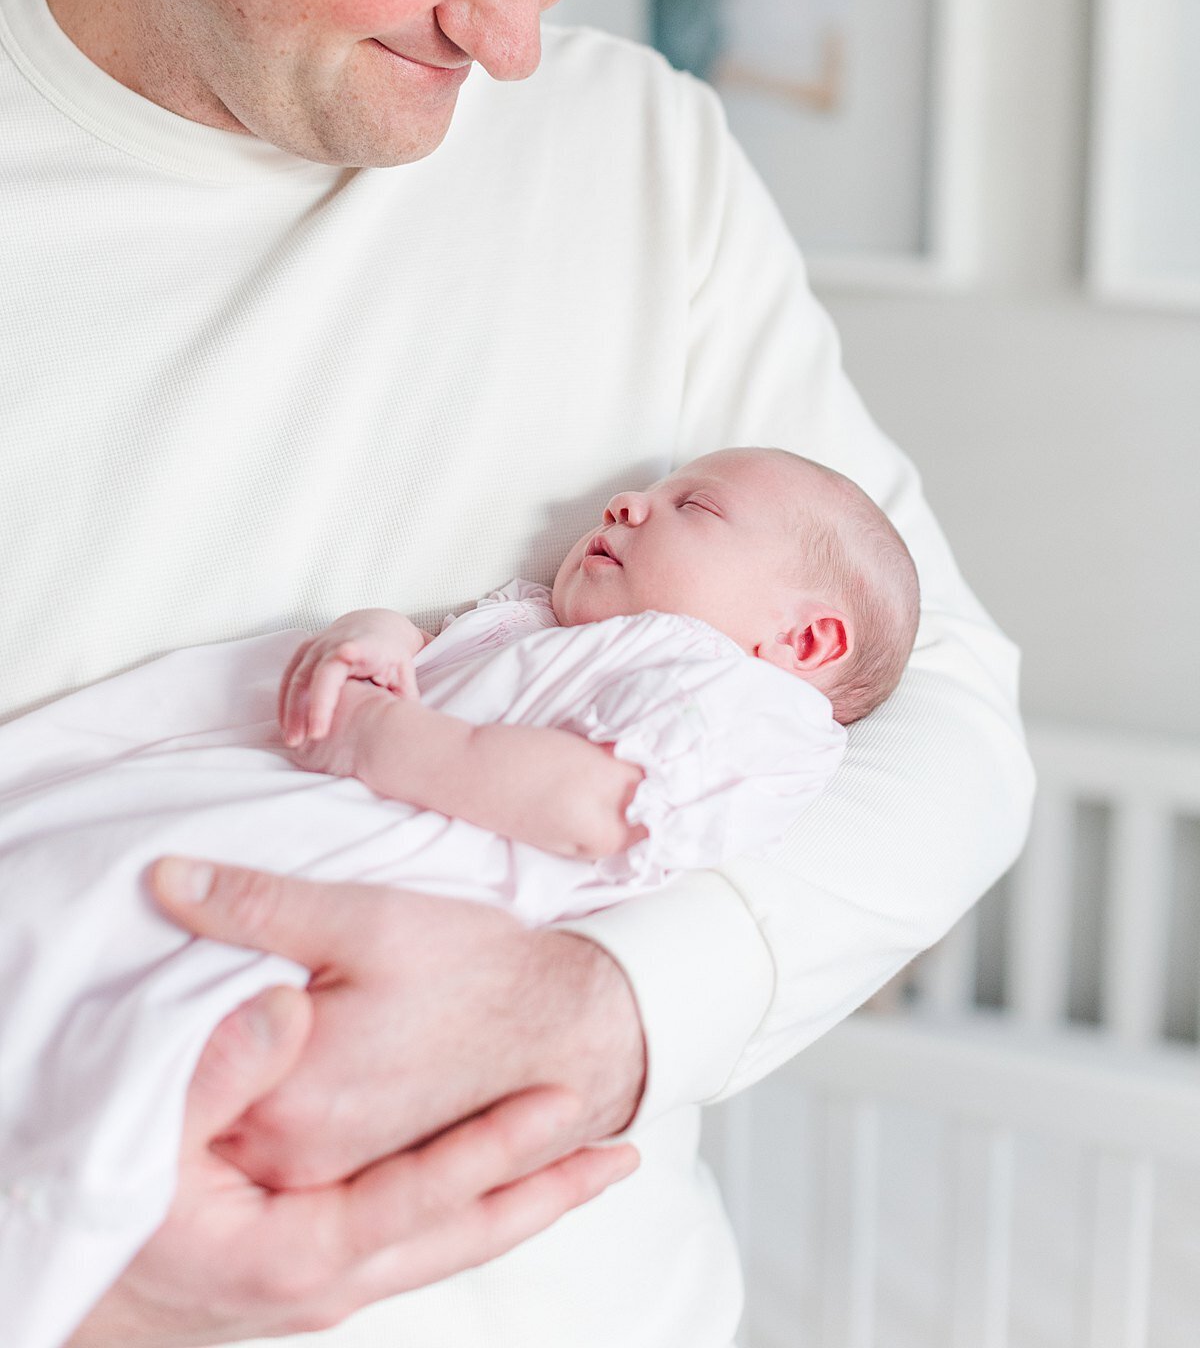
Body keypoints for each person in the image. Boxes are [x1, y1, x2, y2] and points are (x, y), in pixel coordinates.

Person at [0, 0, 1032, 1343]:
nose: (517, 37)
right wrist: (74, 1284)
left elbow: (941, 706)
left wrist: (610, 1009)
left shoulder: (641, 158)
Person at [1, 448, 917, 1347]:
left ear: (804, 640)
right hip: (298, 813)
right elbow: (428, 652)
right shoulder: (538, 624)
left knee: (142, 1031)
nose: (629, 503)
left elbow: (585, 806)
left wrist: (381, 738)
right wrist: (372, 639)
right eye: (651, 492)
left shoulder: (740, 698)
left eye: (696, 509)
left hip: (387, 872)